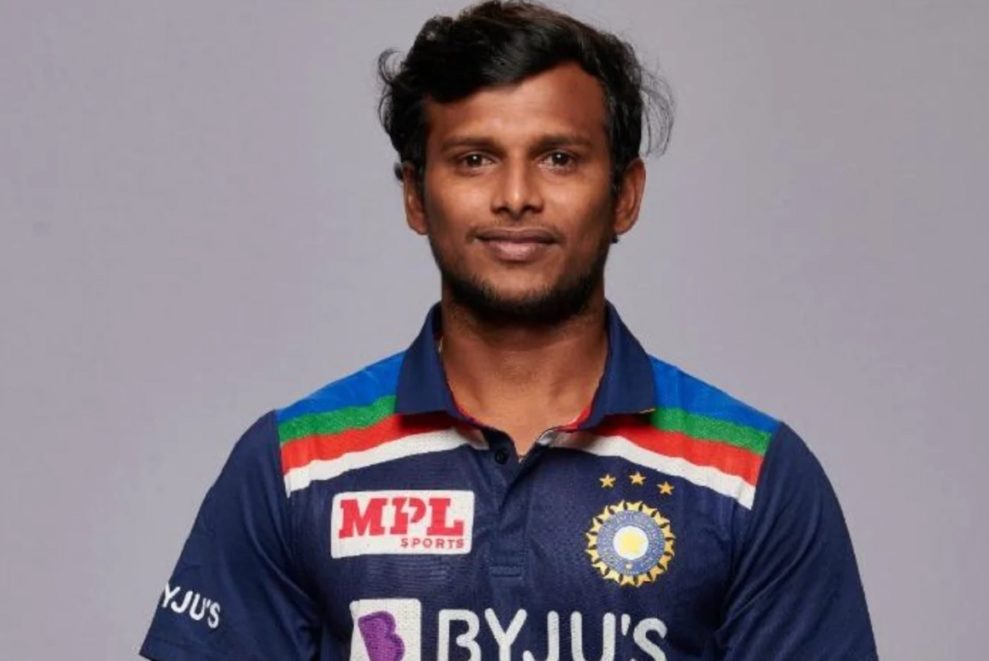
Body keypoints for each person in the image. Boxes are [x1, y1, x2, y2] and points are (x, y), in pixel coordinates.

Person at [140, 2, 877, 659]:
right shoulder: (295, 463)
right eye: (474, 159)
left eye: (559, 158)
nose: (516, 196)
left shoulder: (750, 475)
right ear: (416, 195)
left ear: (624, 194)